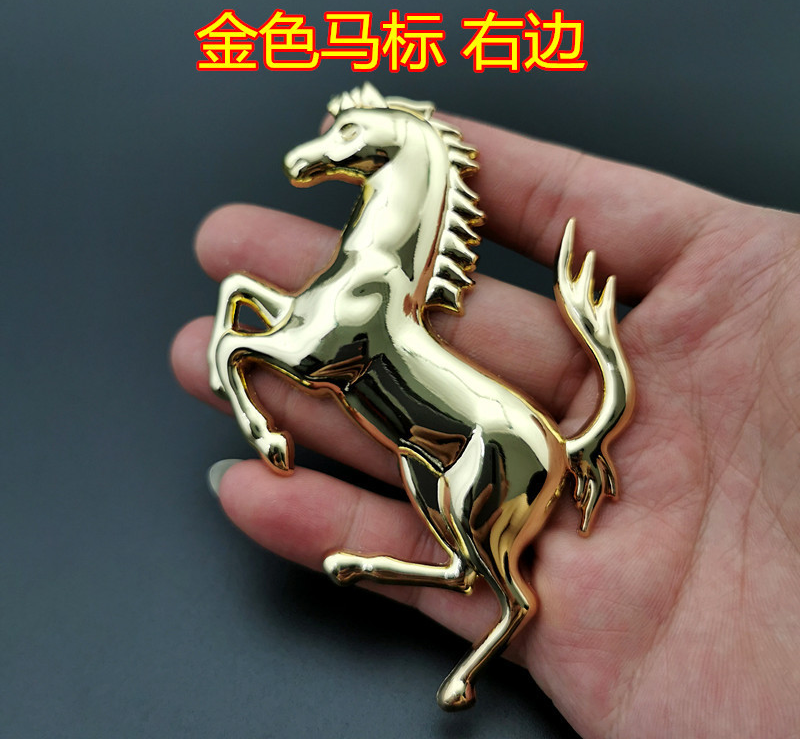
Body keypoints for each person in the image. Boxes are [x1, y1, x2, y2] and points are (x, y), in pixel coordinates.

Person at [171, 114, 800, 738]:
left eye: (351, 139)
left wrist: (236, 360)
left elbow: (311, 363)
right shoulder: (363, 278)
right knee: (242, 300)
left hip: (490, 438)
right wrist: (242, 332)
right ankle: (416, 568)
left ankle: (479, 648)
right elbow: (304, 331)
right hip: (428, 437)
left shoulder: (374, 293)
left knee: (496, 578)